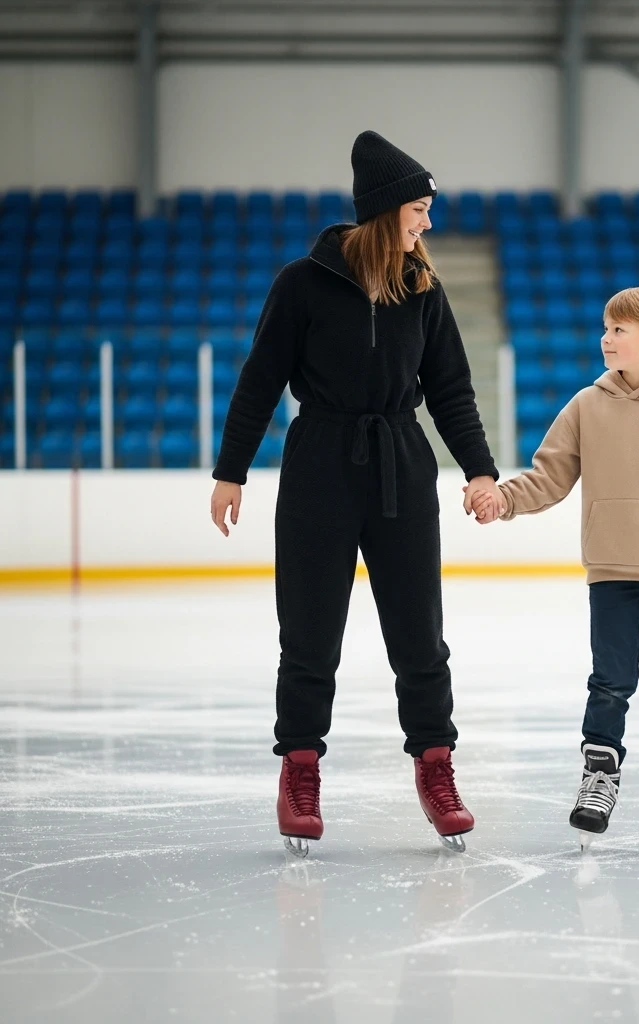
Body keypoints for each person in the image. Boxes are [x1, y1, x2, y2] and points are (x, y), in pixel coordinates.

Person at [209, 130, 505, 856]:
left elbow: (452, 390)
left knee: (418, 633)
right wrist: (230, 471)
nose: (427, 224)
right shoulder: (301, 284)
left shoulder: (422, 288)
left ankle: (435, 766)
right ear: (385, 211)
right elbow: (259, 381)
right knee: (309, 632)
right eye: (419, 210)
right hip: (319, 463)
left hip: (402, 461)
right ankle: (300, 769)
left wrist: (479, 468)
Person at [469, 286, 639, 850]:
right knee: (610, 682)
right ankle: (599, 778)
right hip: (610, 570)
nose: (606, 338)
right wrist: (505, 501)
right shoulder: (586, 406)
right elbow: (550, 475)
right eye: (606, 328)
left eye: (619, 330)